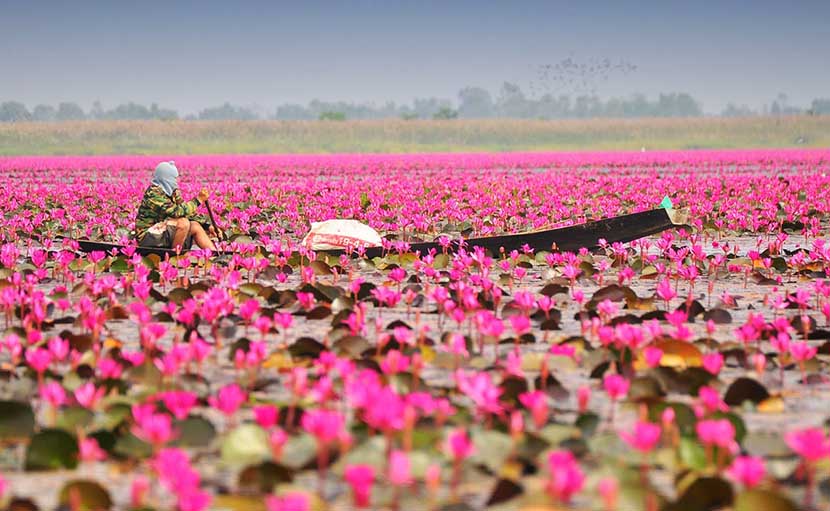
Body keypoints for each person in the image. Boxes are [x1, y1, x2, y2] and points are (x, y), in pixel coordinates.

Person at [134, 161, 218, 251]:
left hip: (162, 231)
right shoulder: (154, 193)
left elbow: (187, 212)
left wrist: (207, 226)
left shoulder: (173, 192)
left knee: (195, 226)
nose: (176, 181)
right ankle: (174, 254)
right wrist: (198, 200)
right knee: (183, 223)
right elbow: (177, 212)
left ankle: (215, 254)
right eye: (173, 178)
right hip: (147, 236)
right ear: (166, 178)